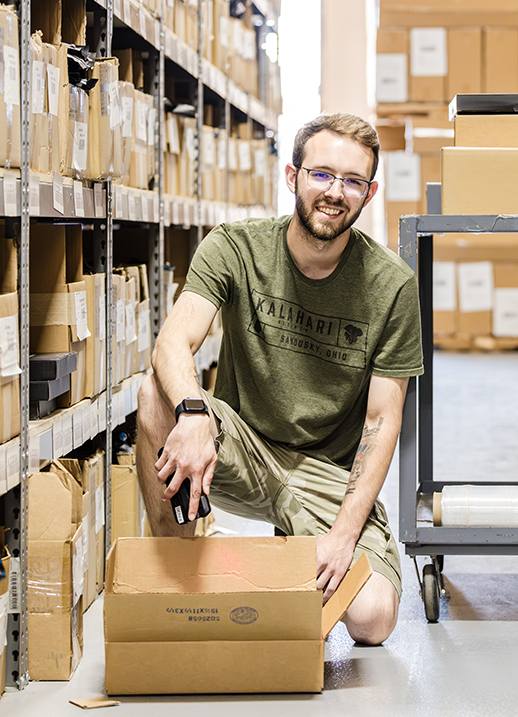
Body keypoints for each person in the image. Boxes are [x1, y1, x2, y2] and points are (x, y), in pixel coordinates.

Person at [135, 112, 423, 645]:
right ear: (292, 177)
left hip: (324, 477)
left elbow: (384, 421)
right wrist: (194, 413)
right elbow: (172, 343)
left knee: (373, 621)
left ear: (370, 192)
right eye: (322, 174)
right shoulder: (236, 248)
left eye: (353, 181)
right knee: (155, 392)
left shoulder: (393, 285)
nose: (335, 192)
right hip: (241, 448)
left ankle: (300, 549)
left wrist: (342, 537)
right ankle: (175, 575)